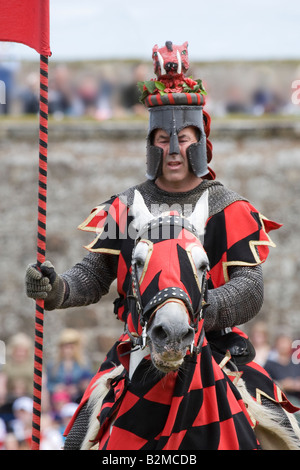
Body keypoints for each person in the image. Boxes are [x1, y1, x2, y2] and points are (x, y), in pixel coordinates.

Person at [25, 41, 294, 449]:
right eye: (162, 138)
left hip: (214, 350)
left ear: (200, 140)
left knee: (285, 434)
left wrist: (199, 308)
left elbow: (249, 287)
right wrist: (57, 289)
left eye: (184, 138)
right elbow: (94, 275)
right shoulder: (126, 206)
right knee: (79, 435)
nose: (173, 149)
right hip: (138, 350)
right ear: (151, 143)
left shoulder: (229, 208)